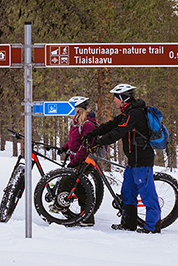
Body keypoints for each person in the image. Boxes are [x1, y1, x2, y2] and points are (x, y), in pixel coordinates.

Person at [82, 83, 161, 233]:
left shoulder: (135, 114)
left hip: (142, 160)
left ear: (123, 98)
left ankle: (153, 226)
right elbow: (111, 125)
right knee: (127, 192)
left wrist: (99, 142)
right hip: (132, 162)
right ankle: (128, 223)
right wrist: (92, 134)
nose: (114, 101)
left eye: (115, 98)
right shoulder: (127, 113)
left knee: (147, 193)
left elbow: (119, 131)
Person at [56, 95, 99, 226]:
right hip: (78, 158)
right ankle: (87, 218)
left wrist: (75, 161)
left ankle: (60, 206)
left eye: (70, 110)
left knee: (68, 180)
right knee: (80, 186)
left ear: (78, 110)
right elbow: (75, 141)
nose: (68, 113)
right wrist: (64, 148)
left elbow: (85, 146)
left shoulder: (88, 125)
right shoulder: (77, 123)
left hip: (85, 160)